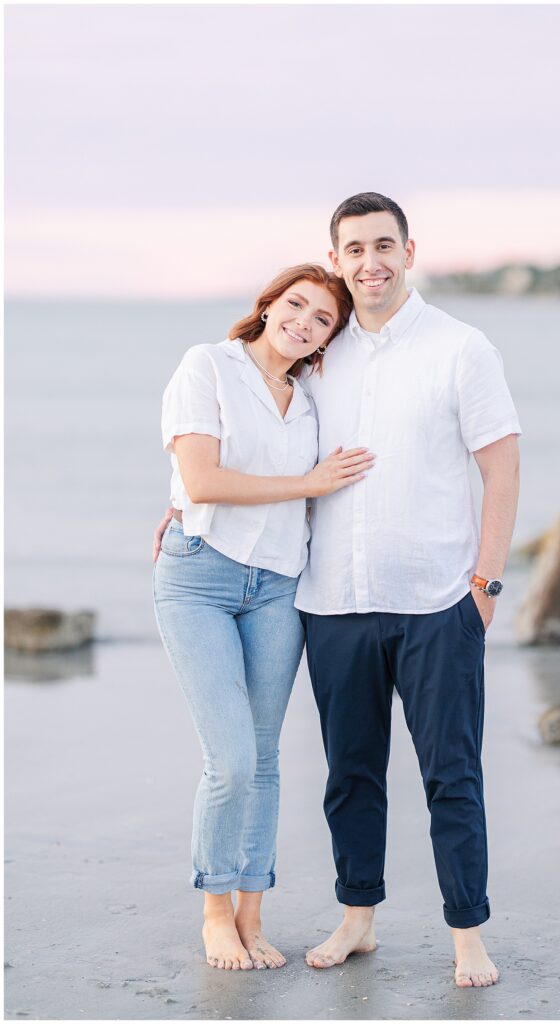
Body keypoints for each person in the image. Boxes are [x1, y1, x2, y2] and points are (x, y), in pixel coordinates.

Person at [294, 193, 521, 987]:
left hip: (437, 604)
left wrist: (485, 585)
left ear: (409, 250)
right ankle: (357, 917)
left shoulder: (461, 348)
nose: (369, 263)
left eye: (382, 245)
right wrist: (184, 500)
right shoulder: (317, 352)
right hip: (333, 605)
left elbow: (500, 465)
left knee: (450, 775)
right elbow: (247, 427)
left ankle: (467, 932)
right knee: (349, 772)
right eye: (352, 249)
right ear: (336, 261)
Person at [152, 263, 374, 973]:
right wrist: (305, 483)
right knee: (233, 759)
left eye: (321, 320)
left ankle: (252, 913)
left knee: (267, 759)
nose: (303, 321)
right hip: (201, 578)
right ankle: (215, 911)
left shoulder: (311, 397)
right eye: (295, 304)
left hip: (279, 584)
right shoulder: (206, 366)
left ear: (326, 340)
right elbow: (201, 479)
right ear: (268, 304)